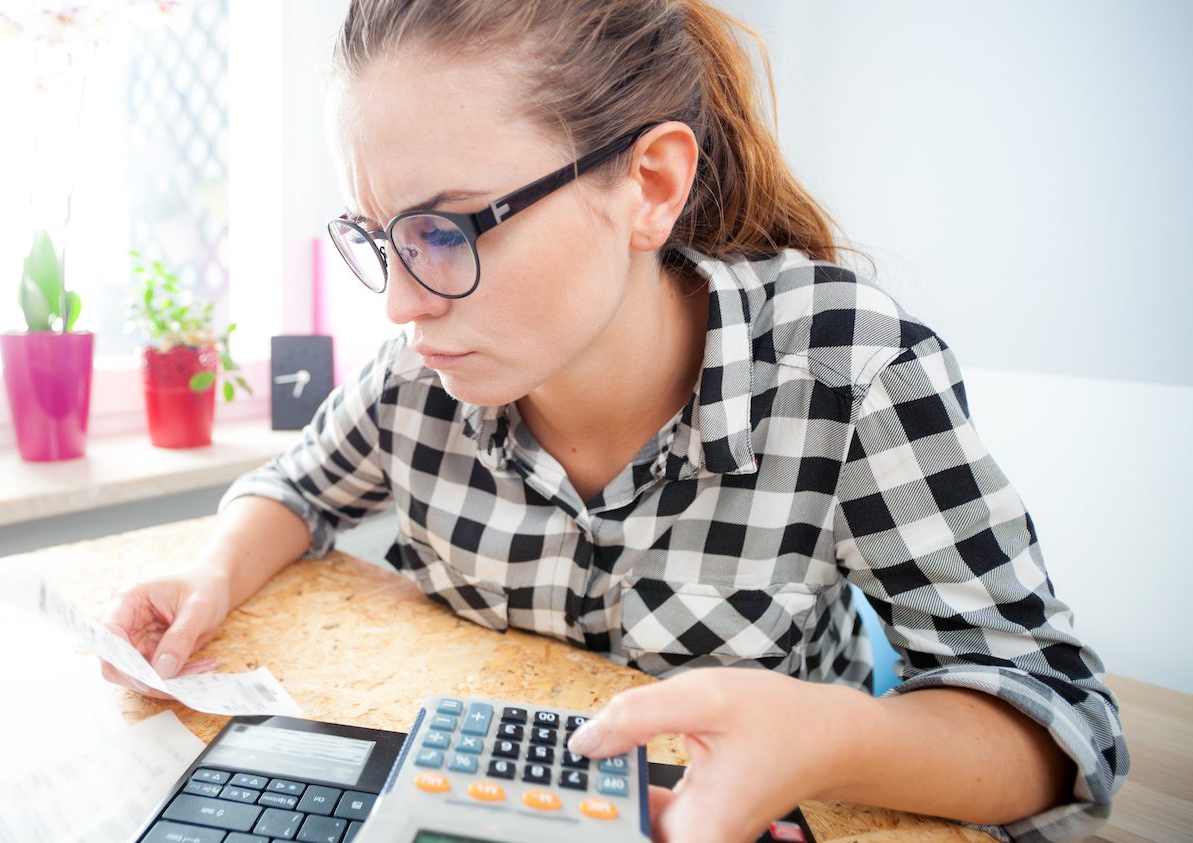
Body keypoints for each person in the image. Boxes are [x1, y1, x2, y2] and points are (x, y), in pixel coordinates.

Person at [101, 1, 1127, 840]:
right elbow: (296, 487)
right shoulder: (419, 379)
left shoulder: (848, 370)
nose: (401, 305)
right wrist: (215, 572)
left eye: (444, 230)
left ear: (649, 186)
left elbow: (1062, 718)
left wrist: (829, 738)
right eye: (380, 238)